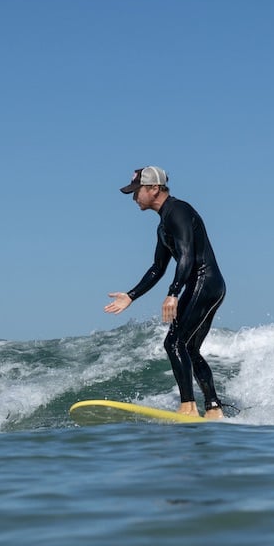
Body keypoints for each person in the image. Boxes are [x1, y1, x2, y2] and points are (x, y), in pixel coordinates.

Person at [105, 166, 227, 419]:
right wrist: (131, 295)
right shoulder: (163, 224)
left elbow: (186, 255)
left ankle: (188, 407)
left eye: (136, 191)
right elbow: (157, 268)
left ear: (154, 189)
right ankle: (213, 408)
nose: (133, 197)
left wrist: (173, 293)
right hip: (205, 285)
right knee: (188, 348)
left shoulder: (179, 211)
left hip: (205, 283)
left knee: (174, 342)